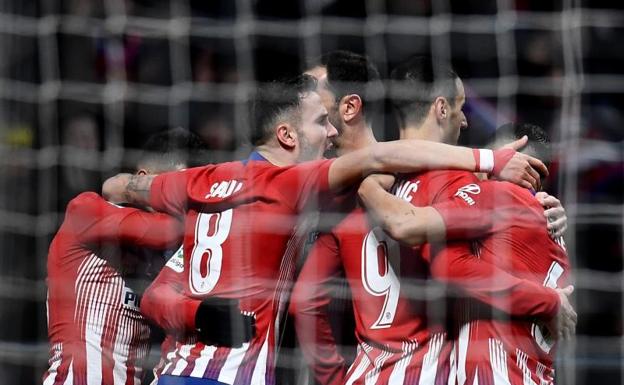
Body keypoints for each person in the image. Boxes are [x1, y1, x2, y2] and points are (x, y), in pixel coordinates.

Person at [102, 74, 545, 385]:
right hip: (238, 375)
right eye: (320, 122)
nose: (330, 132)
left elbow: (119, 186)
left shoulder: (205, 180)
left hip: (178, 372)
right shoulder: (295, 183)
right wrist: (489, 164)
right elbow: (377, 160)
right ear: (287, 135)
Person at [290, 52, 574, 385]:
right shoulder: (459, 185)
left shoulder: (345, 198)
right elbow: (452, 261)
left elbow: (303, 302)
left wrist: (335, 379)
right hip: (428, 373)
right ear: (441, 108)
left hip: (365, 373)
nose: (465, 121)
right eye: (460, 108)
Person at [43, 128, 209, 385]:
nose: (184, 201)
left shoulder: (167, 255)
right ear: (143, 179)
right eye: (176, 187)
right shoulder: (87, 210)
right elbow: (162, 231)